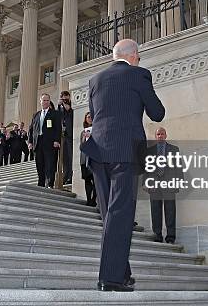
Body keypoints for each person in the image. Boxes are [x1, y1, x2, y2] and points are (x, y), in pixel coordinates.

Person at [81, 39, 165, 291]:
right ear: (133, 55)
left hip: (97, 153)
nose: (139, 59)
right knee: (121, 214)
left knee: (110, 215)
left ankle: (121, 271)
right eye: (138, 56)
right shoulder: (139, 75)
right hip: (125, 151)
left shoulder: (95, 79)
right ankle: (110, 278)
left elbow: (94, 117)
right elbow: (157, 113)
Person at [144, 127, 180, 244]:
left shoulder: (174, 150)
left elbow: (178, 167)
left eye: (162, 134)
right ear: (156, 136)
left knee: (170, 210)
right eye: (158, 134)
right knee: (155, 210)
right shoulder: (150, 151)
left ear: (166, 135)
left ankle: (171, 236)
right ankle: (157, 235)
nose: (160, 136)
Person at [28, 94, 61, 188]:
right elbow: (31, 129)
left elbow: (58, 128)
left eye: (47, 100)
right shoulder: (36, 115)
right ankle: (41, 183)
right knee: (39, 164)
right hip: (38, 142)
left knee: (50, 164)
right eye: (44, 100)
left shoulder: (55, 113)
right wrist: (30, 142)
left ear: (49, 101)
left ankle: (50, 183)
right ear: (41, 102)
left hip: (50, 143)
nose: (46, 102)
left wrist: (57, 140)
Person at [80, 112, 96, 206]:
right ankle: (88, 199)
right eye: (88, 117)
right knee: (87, 180)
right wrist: (85, 139)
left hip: (94, 158)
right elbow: (81, 146)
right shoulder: (83, 132)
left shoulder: (98, 129)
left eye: (91, 117)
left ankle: (94, 199)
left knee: (95, 181)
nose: (90, 119)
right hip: (84, 158)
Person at [58, 90, 74, 184]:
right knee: (64, 157)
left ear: (68, 97)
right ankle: (65, 175)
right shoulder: (59, 107)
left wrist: (64, 104)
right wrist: (59, 105)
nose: (64, 99)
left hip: (70, 134)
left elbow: (70, 111)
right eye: (62, 97)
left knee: (70, 156)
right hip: (62, 135)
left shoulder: (71, 105)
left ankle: (71, 176)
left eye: (65, 97)